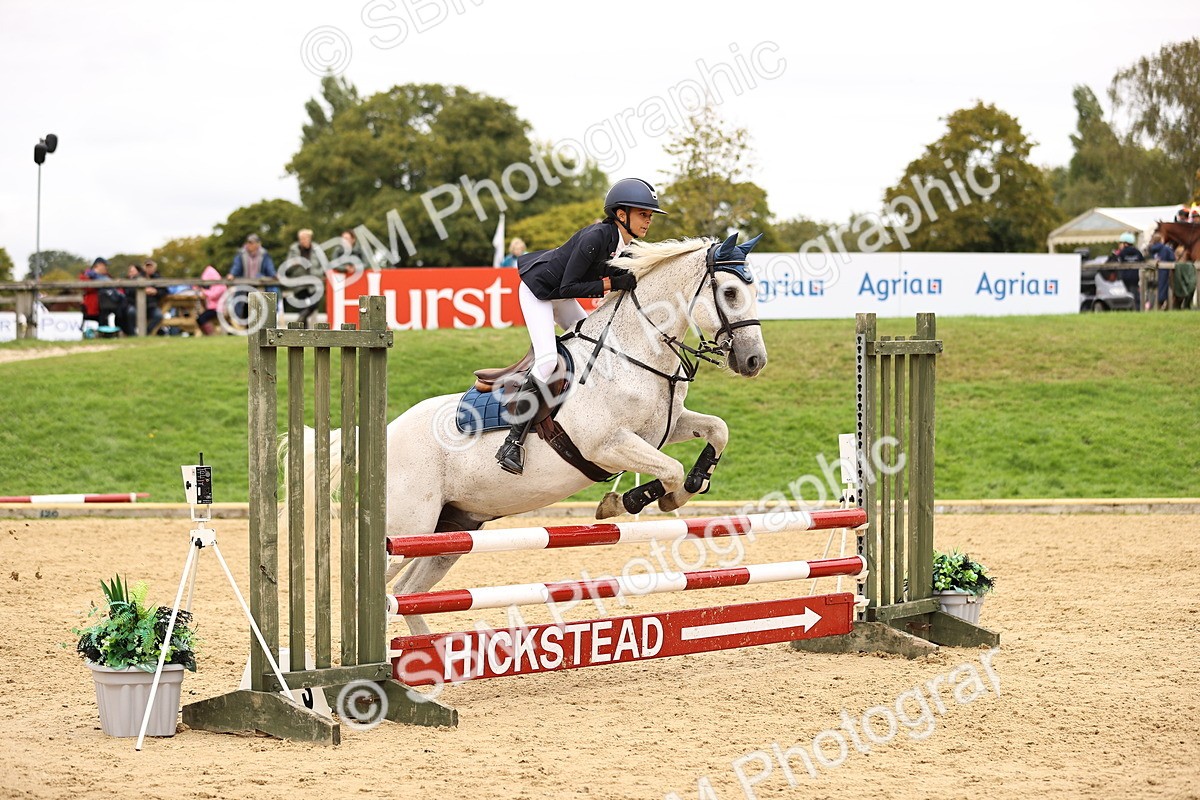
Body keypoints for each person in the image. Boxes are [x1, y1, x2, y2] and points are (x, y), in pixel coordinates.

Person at [495, 178, 666, 475]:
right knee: (548, 362)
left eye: (650, 215)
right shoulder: (597, 237)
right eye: (643, 214)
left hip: (559, 294)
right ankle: (512, 441)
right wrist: (612, 282)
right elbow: (569, 285)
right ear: (621, 214)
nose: (648, 220)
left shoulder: (625, 244)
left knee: (594, 344)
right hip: (539, 291)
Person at [286, 228, 323, 326]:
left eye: (305, 238)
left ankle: (301, 319)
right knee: (302, 307)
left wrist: (318, 274)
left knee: (313, 305)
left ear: (310, 238)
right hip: (300, 284)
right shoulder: (294, 249)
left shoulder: (317, 249)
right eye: (301, 238)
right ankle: (303, 331)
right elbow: (287, 268)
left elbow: (324, 265)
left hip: (314, 283)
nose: (303, 240)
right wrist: (293, 264)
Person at [1106, 231, 1145, 308]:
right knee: (1135, 296)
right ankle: (1136, 309)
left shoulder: (1122, 252)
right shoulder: (1137, 252)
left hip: (1124, 278)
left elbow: (1117, 262)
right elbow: (1143, 261)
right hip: (1134, 278)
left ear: (1125, 243)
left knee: (1125, 296)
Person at [196, 265, 227, 335]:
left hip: (218, 308)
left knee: (202, 318)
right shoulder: (214, 285)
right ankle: (209, 334)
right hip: (214, 308)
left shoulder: (220, 285)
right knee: (199, 319)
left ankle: (212, 334)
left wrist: (204, 292)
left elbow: (214, 295)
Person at [1148, 233, 1176, 309]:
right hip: (1165, 272)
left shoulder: (1150, 249)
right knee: (1165, 289)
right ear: (1161, 240)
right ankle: (1163, 304)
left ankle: (1151, 306)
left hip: (1152, 273)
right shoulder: (1166, 249)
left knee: (1152, 290)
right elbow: (1172, 259)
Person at [140, 258, 166, 334]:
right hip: (139, 305)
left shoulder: (159, 279)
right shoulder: (138, 277)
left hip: (152, 305)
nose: (149, 268)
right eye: (147, 266)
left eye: (151, 266)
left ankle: (146, 333)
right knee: (131, 313)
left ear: (155, 268)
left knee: (158, 316)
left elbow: (165, 291)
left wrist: (156, 291)